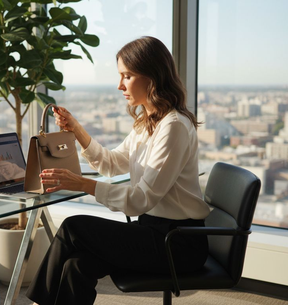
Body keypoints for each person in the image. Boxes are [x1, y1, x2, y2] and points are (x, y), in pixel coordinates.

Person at [26, 36, 211, 305]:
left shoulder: (174, 127)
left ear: (152, 76)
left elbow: (140, 200)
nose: (119, 85)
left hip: (177, 244)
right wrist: (76, 130)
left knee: (73, 227)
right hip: (153, 232)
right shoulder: (148, 122)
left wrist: (83, 184)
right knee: (77, 265)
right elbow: (111, 164)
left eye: (127, 76)